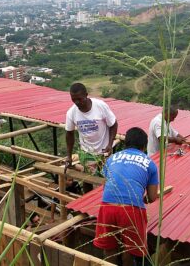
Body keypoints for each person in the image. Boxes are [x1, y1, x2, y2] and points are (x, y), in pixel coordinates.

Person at [94, 127, 158, 266]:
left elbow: (106, 187)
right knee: (130, 250)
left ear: (125, 143)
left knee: (109, 248)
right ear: (144, 146)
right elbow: (152, 197)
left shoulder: (112, 159)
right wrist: (139, 198)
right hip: (132, 210)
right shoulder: (150, 163)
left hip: (107, 206)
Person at [65, 83, 118, 191]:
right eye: (73, 99)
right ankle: (87, 202)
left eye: (79, 99)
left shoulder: (100, 106)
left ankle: (104, 201)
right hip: (86, 152)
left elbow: (113, 124)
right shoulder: (71, 113)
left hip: (104, 151)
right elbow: (69, 134)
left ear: (86, 95)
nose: (77, 102)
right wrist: (69, 156)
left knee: (105, 180)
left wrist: (110, 144)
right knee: (87, 179)